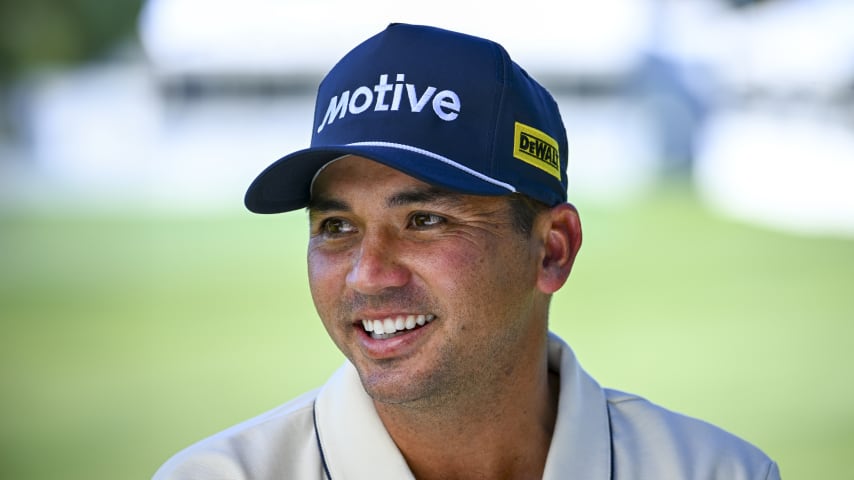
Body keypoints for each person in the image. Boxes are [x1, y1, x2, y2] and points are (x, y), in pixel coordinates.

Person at [153, 23, 780, 480]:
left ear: (552, 251)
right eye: (337, 228)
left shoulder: (718, 472)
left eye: (423, 220)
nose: (367, 275)